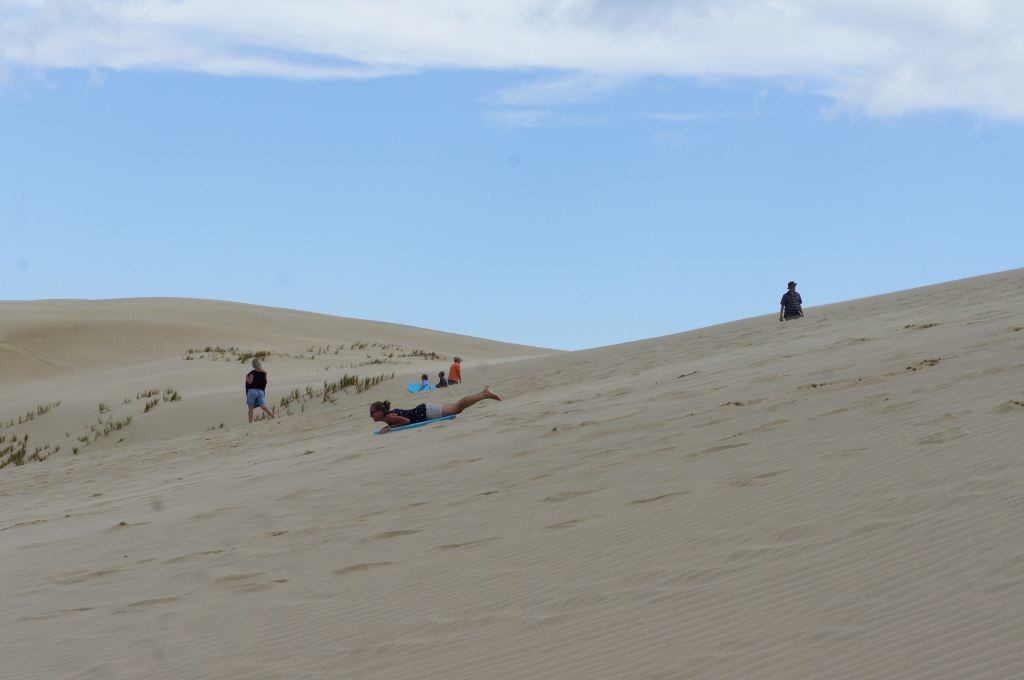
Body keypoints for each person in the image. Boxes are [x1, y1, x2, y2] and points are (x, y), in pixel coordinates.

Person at [370, 387, 501, 432]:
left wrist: (390, 427)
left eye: (372, 413)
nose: (371, 416)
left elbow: (405, 420)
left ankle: (485, 394)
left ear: (379, 411)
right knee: (458, 407)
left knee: (458, 407)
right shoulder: (388, 416)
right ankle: (484, 394)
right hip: (425, 410)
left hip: (426, 412)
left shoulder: (389, 418)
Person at [245, 358, 275, 422]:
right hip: (260, 392)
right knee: (263, 406)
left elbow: (250, 382)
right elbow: (266, 382)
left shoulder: (252, 373)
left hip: (252, 392)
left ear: (253, 365)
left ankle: (250, 423)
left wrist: (247, 377)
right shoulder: (264, 373)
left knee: (250, 409)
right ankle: (273, 416)